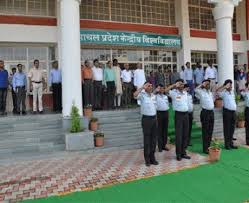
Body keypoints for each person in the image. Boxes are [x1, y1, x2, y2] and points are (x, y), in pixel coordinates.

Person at [134, 82, 158, 167]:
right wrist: (142, 88)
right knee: (147, 140)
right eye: (148, 85)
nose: (150, 87)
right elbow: (134, 95)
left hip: (154, 119)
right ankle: (147, 159)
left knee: (154, 140)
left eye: (151, 85)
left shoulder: (154, 96)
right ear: (145, 87)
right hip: (146, 119)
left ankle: (152, 158)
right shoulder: (142, 95)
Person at [166, 79, 191, 161]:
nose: (181, 85)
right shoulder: (173, 93)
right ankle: (178, 154)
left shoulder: (185, 93)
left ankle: (183, 152)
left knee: (185, 134)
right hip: (179, 115)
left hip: (186, 114)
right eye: (179, 84)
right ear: (177, 85)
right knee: (179, 135)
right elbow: (165, 91)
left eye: (182, 84)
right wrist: (173, 85)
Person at [217, 79, 238, 150]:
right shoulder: (223, 93)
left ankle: (231, 143)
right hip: (227, 112)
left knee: (232, 128)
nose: (231, 86)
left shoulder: (232, 92)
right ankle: (227, 145)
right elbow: (217, 92)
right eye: (229, 84)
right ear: (226, 85)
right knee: (227, 128)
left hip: (233, 112)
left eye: (231, 84)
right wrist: (224, 86)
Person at [195, 80, 214, 153]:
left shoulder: (210, 93)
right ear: (203, 84)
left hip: (211, 113)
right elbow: (195, 90)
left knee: (210, 131)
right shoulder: (200, 92)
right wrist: (201, 84)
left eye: (208, 84)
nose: (208, 85)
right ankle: (205, 148)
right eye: (206, 84)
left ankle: (209, 147)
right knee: (205, 131)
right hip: (205, 113)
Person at [155, 84, 169, 152]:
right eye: (160, 88)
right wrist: (156, 90)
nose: (162, 90)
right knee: (159, 130)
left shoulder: (165, 96)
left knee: (165, 130)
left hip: (166, 113)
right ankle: (160, 146)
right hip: (159, 113)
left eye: (163, 89)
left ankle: (164, 145)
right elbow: (152, 94)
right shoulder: (155, 96)